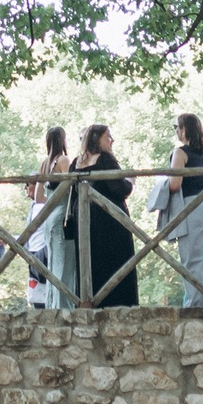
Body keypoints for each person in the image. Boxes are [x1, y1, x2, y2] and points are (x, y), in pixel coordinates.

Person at [153, 112, 203, 307]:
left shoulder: (180, 153)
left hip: (192, 207)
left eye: (177, 127)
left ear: (184, 130)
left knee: (193, 260)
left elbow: (175, 184)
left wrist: (160, 184)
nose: (176, 131)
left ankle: (196, 306)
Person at [72, 125, 135, 307]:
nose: (112, 140)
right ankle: (119, 304)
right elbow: (118, 188)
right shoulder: (106, 159)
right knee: (116, 262)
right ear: (97, 138)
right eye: (108, 136)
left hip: (84, 219)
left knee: (90, 262)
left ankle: (89, 302)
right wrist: (130, 182)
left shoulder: (76, 162)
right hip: (109, 220)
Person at [28, 125, 72, 307]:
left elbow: (38, 197)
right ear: (63, 140)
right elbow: (73, 188)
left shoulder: (45, 164)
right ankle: (65, 304)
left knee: (53, 261)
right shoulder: (64, 160)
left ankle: (52, 303)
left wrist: (51, 198)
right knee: (64, 263)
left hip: (49, 216)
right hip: (61, 214)